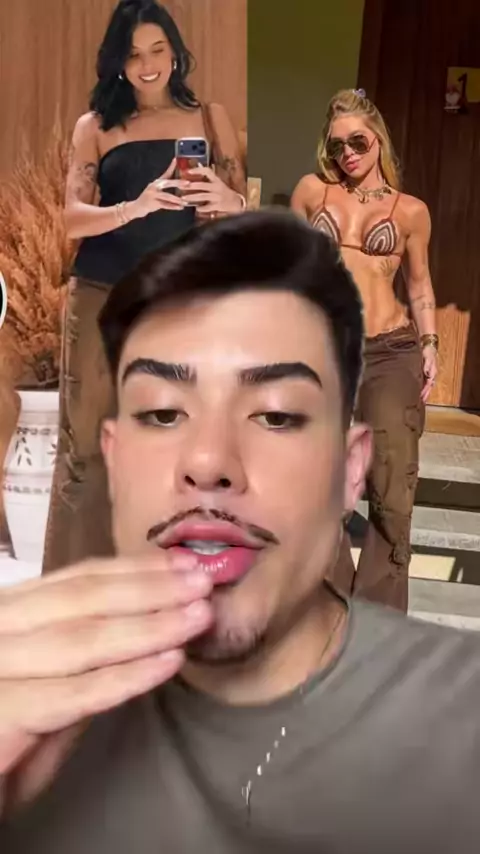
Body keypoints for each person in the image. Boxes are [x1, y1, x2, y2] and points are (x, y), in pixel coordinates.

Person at [1, 210, 480, 854]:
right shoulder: (36, 739)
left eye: (275, 416)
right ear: (113, 457)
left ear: (349, 468)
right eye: (163, 413)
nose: (208, 462)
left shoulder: (457, 741)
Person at [43, 0, 246, 574]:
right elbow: (72, 219)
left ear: (176, 54)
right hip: (101, 294)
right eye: (134, 54)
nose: (148, 64)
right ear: (118, 62)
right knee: (84, 450)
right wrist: (136, 206)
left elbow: (240, 218)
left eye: (158, 50)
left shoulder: (210, 119)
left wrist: (231, 200)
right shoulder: (95, 126)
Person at [291, 88, 438, 613]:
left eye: (357, 142)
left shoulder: (411, 211)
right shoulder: (312, 192)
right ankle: (329, 610)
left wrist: (430, 343)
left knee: (392, 488)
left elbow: (418, 285)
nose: (347, 154)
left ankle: (377, 622)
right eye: (336, 146)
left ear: (378, 140)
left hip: (390, 351)